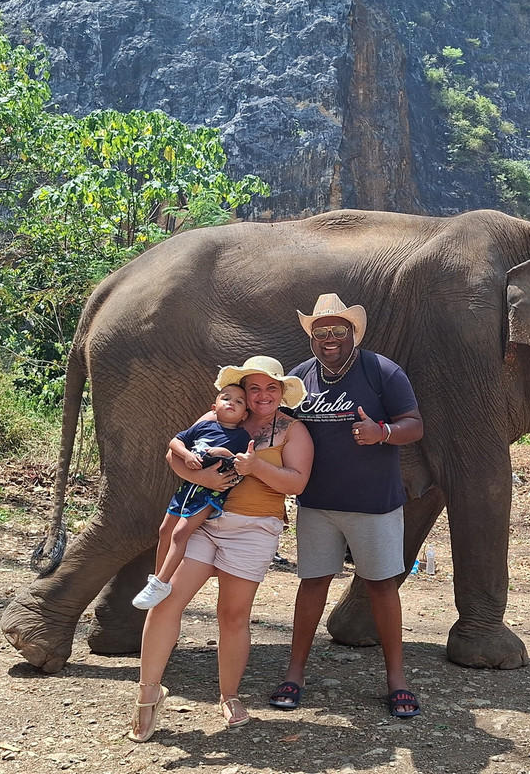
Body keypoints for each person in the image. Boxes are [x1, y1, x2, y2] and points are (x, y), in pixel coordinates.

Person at [127, 357, 312, 742]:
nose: (261, 395)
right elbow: (173, 455)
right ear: (242, 392)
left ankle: (229, 696)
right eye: (254, 388)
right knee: (167, 601)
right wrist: (200, 475)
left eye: (271, 388)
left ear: (282, 393)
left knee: (232, 615)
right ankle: (148, 693)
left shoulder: (294, 432)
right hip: (203, 522)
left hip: (254, 529)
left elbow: (296, 484)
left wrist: (255, 467)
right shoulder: (222, 413)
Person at [269, 293, 425, 719]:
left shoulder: (381, 371)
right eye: (321, 332)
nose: (329, 339)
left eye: (338, 330)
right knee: (313, 584)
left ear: (353, 333)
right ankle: (295, 673)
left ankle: (397, 680)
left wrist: (384, 432)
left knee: (380, 586)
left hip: (374, 504)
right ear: (312, 338)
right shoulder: (299, 379)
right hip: (317, 504)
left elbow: (415, 425)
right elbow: (278, 434)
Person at [132, 385, 251, 610]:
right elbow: (175, 442)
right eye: (226, 398)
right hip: (188, 487)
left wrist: (222, 454)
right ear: (214, 407)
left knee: (181, 532)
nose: (231, 403)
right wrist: (186, 456)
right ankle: (157, 579)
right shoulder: (203, 426)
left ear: (244, 415)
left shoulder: (241, 435)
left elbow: (240, 462)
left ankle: (161, 582)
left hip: (211, 493)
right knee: (165, 530)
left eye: (239, 402)